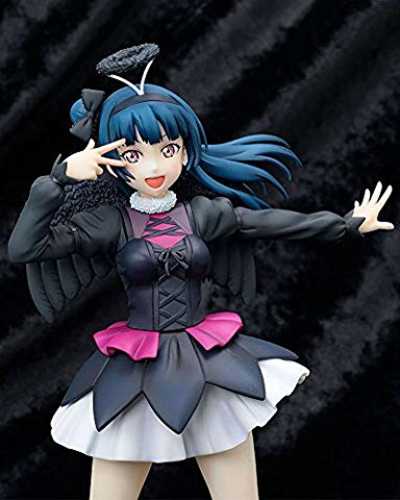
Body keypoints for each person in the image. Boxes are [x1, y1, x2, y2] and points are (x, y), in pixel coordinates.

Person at [7, 44, 394, 500]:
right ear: (113, 159)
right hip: (136, 364)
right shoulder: (110, 222)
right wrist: (58, 180)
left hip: (208, 361)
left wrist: (346, 225)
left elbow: (269, 223)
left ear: (185, 151)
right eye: (133, 154)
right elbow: (25, 248)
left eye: (167, 149)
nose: (154, 166)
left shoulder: (203, 214)